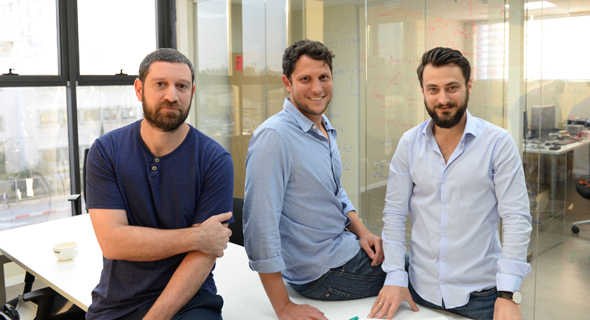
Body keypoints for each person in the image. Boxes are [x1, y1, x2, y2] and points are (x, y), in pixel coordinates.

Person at [369, 47, 532, 320]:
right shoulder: (409, 144)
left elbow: (516, 218)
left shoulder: (497, 143)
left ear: (469, 86)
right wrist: (396, 276)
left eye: (452, 87)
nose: (442, 99)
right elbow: (394, 215)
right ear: (422, 91)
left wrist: (508, 294)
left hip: (482, 297)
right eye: (433, 89)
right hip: (419, 293)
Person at [85, 48, 234, 320]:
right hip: (118, 301)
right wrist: (198, 236)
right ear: (139, 89)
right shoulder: (106, 151)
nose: (172, 95)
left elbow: (204, 255)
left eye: (182, 86)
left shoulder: (215, 160)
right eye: (161, 84)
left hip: (190, 301)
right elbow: (113, 242)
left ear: (192, 91)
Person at [243, 39, 386, 320]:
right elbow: (260, 226)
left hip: (340, 247)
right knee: (420, 274)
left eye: (324, 77)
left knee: (419, 264)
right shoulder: (274, 137)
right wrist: (283, 307)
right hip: (320, 271)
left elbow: (334, 192)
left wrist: (363, 231)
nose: (317, 88)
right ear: (287, 82)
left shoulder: (323, 128)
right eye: (305, 79)